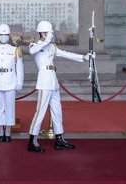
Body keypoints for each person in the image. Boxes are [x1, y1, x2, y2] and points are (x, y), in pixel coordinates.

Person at [27, 20, 92, 152]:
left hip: (53, 80)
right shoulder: (35, 45)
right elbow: (32, 51)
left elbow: (66, 54)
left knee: (57, 111)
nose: (52, 35)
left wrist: (84, 57)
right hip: (44, 80)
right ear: (43, 33)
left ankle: (60, 139)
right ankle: (32, 141)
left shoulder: (52, 47)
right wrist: (45, 42)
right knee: (40, 112)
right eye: (49, 33)